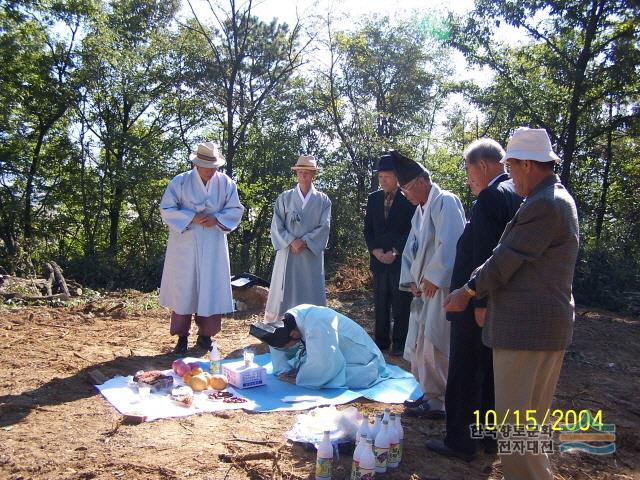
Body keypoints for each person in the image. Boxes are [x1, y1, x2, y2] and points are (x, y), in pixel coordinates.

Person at [444, 127, 579, 480]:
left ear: (529, 165)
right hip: (539, 326)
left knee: (515, 423)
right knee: (528, 422)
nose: (510, 176)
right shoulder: (550, 199)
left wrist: (468, 291)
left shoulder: (545, 204)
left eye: (513, 167)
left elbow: (506, 258)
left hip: (527, 329)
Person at [426, 139, 522, 461]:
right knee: (488, 373)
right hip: (497, 301)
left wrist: (477, 301)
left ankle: (460, 441)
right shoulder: (514, 193)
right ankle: (487, 437)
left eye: (468, 169)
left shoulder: (491, 197)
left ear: (482, 165)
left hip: (474, 305)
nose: (468, 178)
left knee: (465, 371)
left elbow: (486, 254)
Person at [391, 151, 466, 419]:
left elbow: (453, 242)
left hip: (441, 286)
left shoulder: (446, 201)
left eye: (407, 189)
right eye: (402, 191)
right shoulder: (418, 213)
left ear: (423, 181)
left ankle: (441, 400)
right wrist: (412, 279)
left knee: (436, 340)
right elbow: (411, 249)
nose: (406, 195)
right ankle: (428, 393)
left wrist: (435, 276)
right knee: (421, 340)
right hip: (424, 287)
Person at [159, 142, 244, 354]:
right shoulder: (180, 181)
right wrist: (191, 217)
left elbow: (235, 209)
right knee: (184, 288)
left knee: (210, 288)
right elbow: (166, 208)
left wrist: (217, 219)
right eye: (206, 166)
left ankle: (206, 336)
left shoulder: (226, 183)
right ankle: (181, 337)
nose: (211, 170)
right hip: (185, 244)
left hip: (213, 242)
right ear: (196, 164)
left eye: (213, 166)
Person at [250, 304, 388, 389]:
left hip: (361, 357)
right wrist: (283, 371)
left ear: (293, 334)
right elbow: (278, 346)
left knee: (344, 377)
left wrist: (297, 379)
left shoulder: (317, 325)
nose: (289, 348)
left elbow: (326, 363)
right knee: (303, 365)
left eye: (289, 345)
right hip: (335, 349)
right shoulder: (292, 319)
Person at [264, 155, 331, 321]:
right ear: (296, 174)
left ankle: (312, 326)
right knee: (286, 289)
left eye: (307, 172)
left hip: (310, 253)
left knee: (311, 288)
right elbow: (276, 224)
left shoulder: (323, 200)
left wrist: (305, 241)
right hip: (288, 251)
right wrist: (291, 240)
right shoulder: (284, 197)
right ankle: (282, 327)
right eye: (300, 172)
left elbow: (325, 226)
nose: (303, 175)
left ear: (313, 174)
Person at [364, 153, 415, 355]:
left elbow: (411, 230)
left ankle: (400, 344)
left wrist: (395, 251)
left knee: (401, 304)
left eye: (387, 176)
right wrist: (374, 250)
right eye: (380, 177)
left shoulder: (408, 198)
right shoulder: (373, 199)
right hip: (378, 260)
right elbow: (368, 229)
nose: (383, 180)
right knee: (381, 303)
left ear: (396, 177)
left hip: (399, 260)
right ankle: (381, 342)